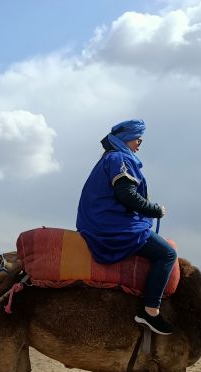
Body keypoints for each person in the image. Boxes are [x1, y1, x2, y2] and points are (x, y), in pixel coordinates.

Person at [76, 119, 177, 335]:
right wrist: (155, 210)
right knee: (167, 254)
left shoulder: (110, 158)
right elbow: (127, 195)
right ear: (127, 138)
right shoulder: (120, 158)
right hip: (111, 225)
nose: (140, 144)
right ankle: (150, 311)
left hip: (99, 221)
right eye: (138, 139)